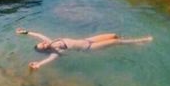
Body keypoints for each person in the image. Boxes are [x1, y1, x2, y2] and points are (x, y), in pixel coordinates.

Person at [16, 28, 153, 71]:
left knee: (114, 35)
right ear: (45, 50)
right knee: (116, 42)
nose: (44, 43)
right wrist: (39, 64)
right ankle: (139, 42)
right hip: (89, 47)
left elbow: (38, 35)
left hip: (89, 39)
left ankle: (127, 43)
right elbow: (49, 59)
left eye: (42, 43)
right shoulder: (55, 52)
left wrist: (26, 33)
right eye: (43, 46)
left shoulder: (52, 41)